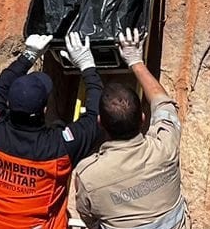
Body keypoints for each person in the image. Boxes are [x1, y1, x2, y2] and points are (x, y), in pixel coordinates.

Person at [0, 31, 103, 229]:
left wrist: (28, 56)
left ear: (9, 105)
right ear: (44, 110)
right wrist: (86, 65)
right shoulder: (57, 148)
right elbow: (95, 118)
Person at [71, 29, 189, 229]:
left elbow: (88, 217)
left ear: (100, 122)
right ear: (143, 118)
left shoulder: (89, 175)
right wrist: (136, 61)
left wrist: (87, 67)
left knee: (74, 209)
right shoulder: (165, 147)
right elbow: (163, 105)